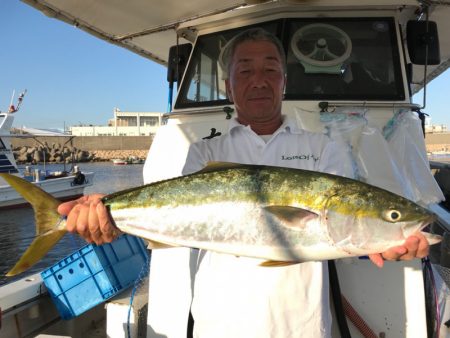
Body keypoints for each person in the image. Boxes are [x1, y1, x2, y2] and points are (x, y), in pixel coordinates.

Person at [58, 28, 430, 337]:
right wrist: (109, 220)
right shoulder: (204, 153)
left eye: (271, 70)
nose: (259, 81)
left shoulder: (323, 149)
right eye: (245, 71)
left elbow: (351, 235)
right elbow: (175, 222)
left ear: (284, 81)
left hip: (303, 327)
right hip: (218, 325)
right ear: (228, 85)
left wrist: (389, 241)